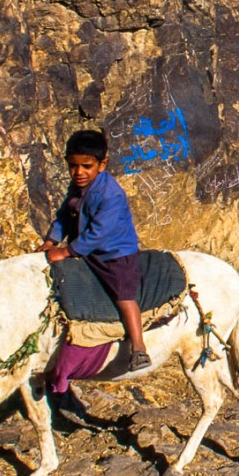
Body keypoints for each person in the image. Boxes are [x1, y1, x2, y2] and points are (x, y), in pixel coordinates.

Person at [41, 130, 150, 373]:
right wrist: (51, 240)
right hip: (87, 250)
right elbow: (64, 216)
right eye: (73, 166)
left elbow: (98, 233)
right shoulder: (77, 187)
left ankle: (139, 347)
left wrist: (66, 251)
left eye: (86, 166)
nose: (78, 173)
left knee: (124, 296)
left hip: (114, 254)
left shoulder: (111, 195)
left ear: (102, 164)